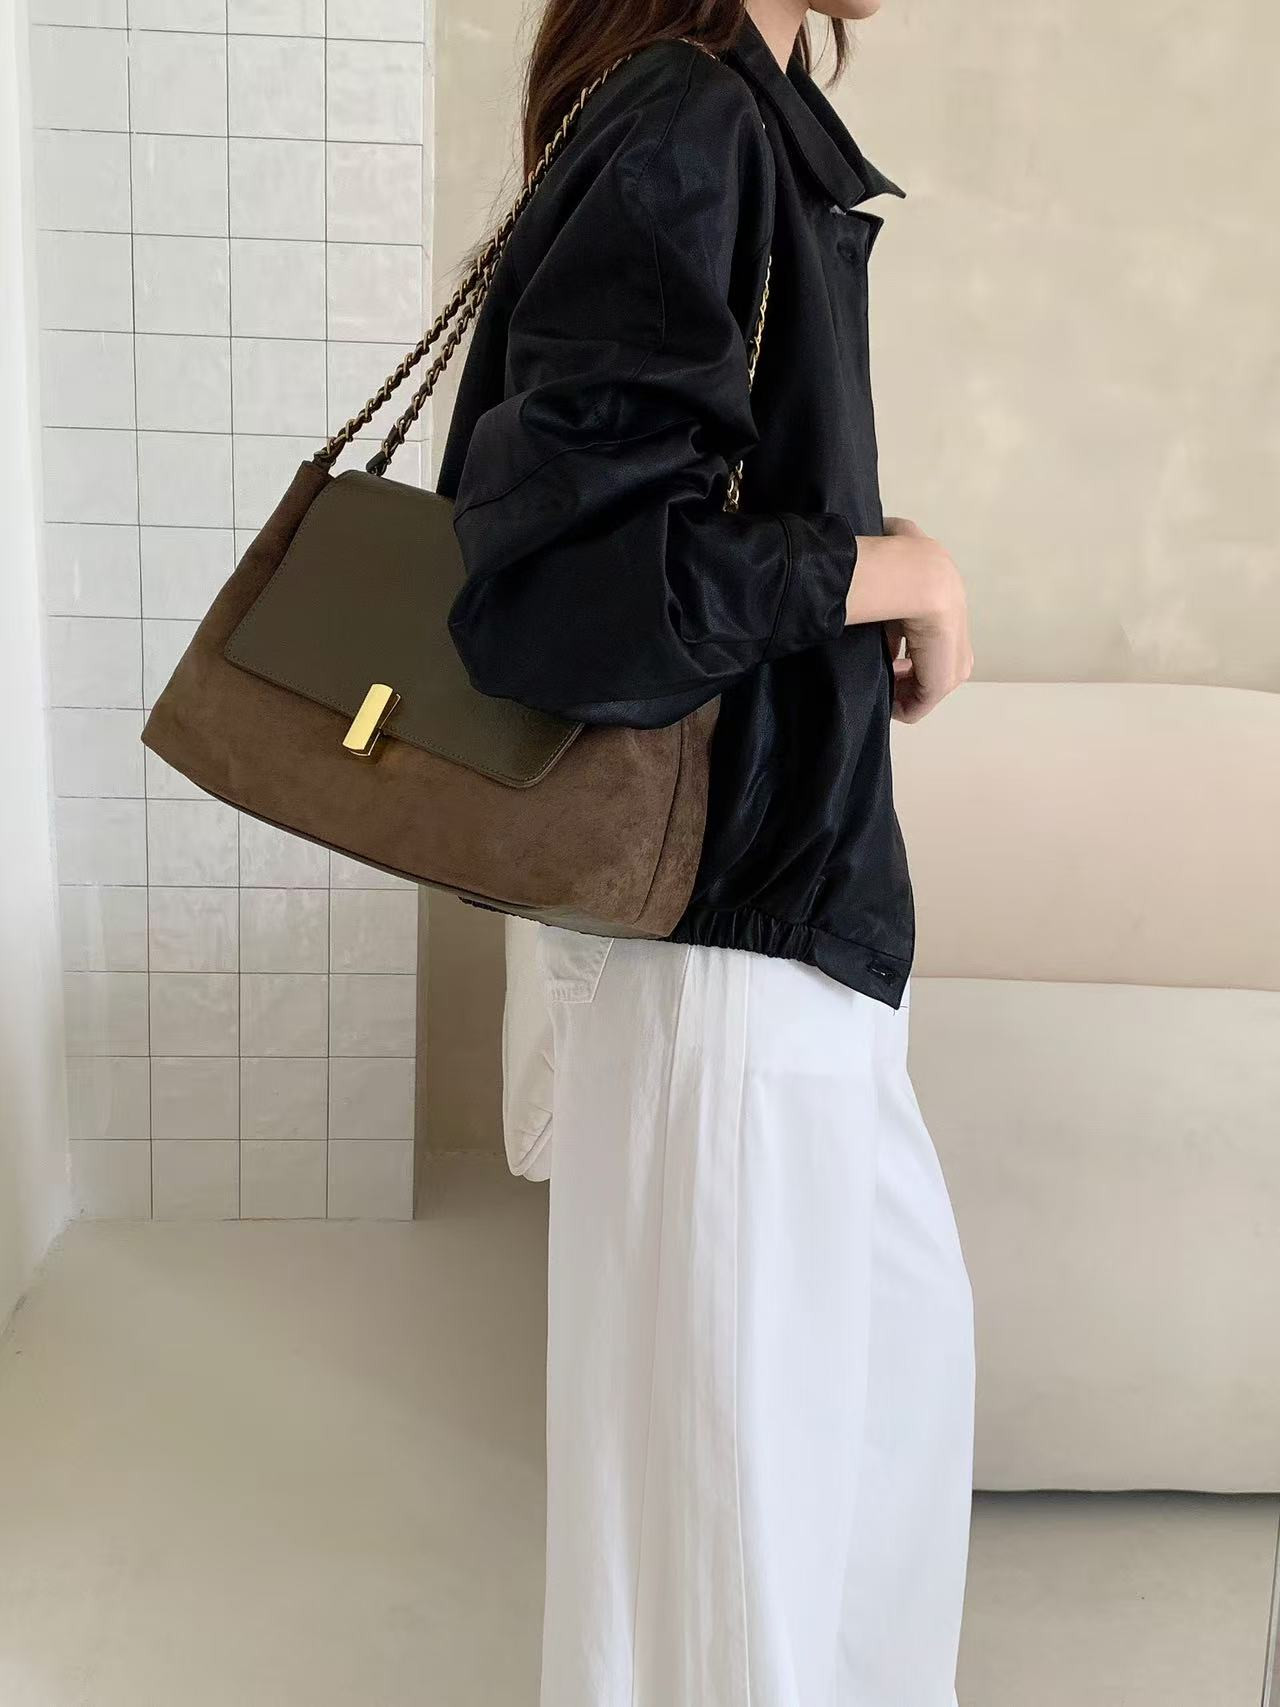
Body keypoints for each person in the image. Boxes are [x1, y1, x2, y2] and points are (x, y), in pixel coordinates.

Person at [442, 2, 976, 1702]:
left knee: (834, 1510)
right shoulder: (687, 120)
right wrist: (889, 573)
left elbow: (682, 519)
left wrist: (872, 557)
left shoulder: (731, 118)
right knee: (736, 1579)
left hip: (781, 922)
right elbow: (565, 594)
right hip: (723, 956)